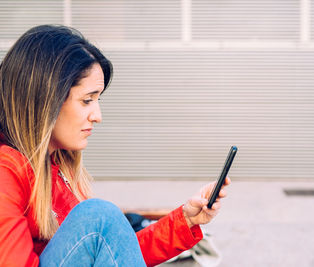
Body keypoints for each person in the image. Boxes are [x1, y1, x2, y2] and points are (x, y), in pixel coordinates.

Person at [0, 25, 230, 267]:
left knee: (101, 220)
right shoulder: (7, 172)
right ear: (44, 98)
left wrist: (186, 220)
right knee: (99, 217)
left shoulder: (56, 165)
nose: (97, 115)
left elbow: (117, 253)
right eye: (87, 100)